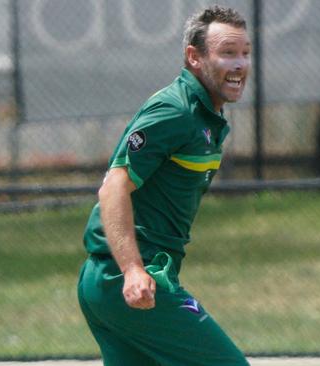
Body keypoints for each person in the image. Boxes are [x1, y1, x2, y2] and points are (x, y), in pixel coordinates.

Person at [77, 5, 252, 366]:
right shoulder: (175, 111)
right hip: (127, 279)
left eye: (245, 54)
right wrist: (132, 269)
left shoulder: (206, 115)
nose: (240, 65)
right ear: (194, 57)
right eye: (227, 53)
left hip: (121, 281)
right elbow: (113, 187)